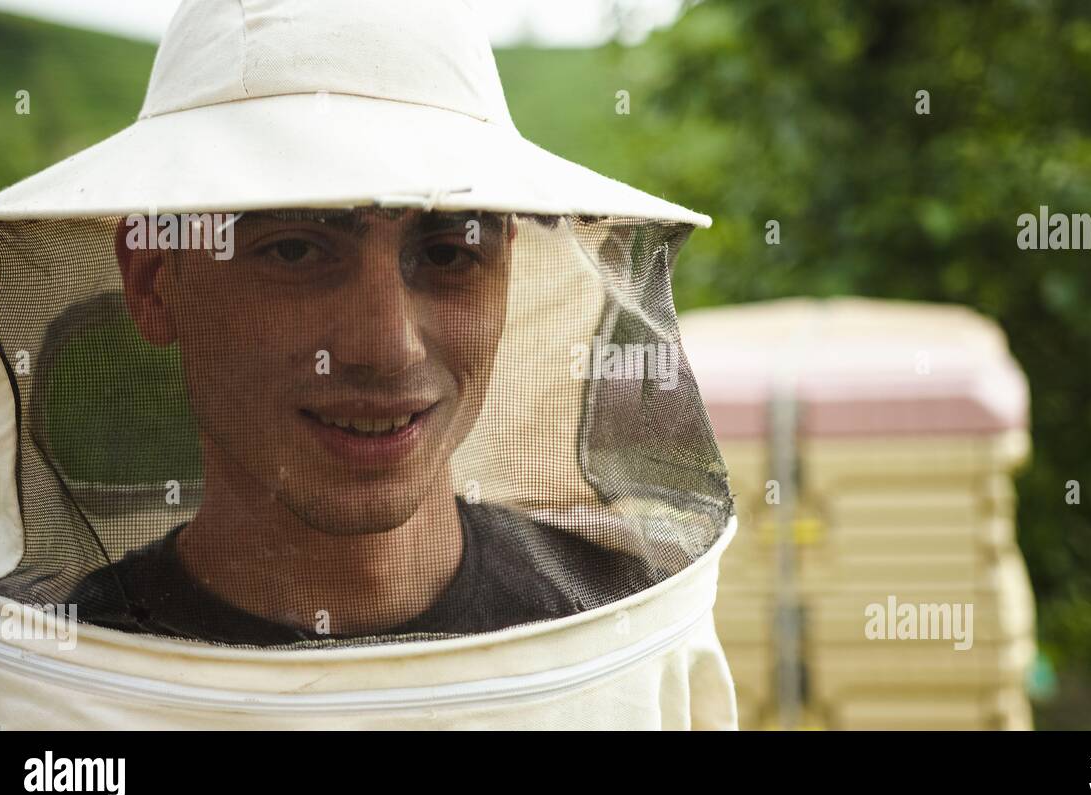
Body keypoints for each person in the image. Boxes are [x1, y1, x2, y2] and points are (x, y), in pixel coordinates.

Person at [67, 207, 661, 644]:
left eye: (447, 254)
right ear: (155, 280)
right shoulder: (47, 675)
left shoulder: (627, 621)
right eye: (294, 250)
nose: (388, 347)